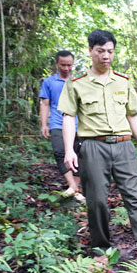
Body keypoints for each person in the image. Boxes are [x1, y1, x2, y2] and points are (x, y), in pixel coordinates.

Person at [58, 29, 137, 265]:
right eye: (100, 51)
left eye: (110, 51)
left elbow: (133, 116)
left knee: (134, 198)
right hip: (93, 147)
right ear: (90, 52)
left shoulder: (123, 81)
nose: (106, 56)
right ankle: (101, 251)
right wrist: (69, 150)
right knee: (96, 200)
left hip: (123, 146)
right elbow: (68, 117)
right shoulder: (77, 83)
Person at [39, 50, 84, 202]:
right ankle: (73, 186)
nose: (66, 68)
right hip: (57, 123)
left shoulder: (79, 81)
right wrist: (44, 124)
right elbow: (45, 104)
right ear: (57, 64)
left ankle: (75, 189)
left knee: (79, 154)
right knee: (60, 152)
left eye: (69, 65)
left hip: (79, 124)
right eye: (63, 65)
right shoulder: (49, 82)